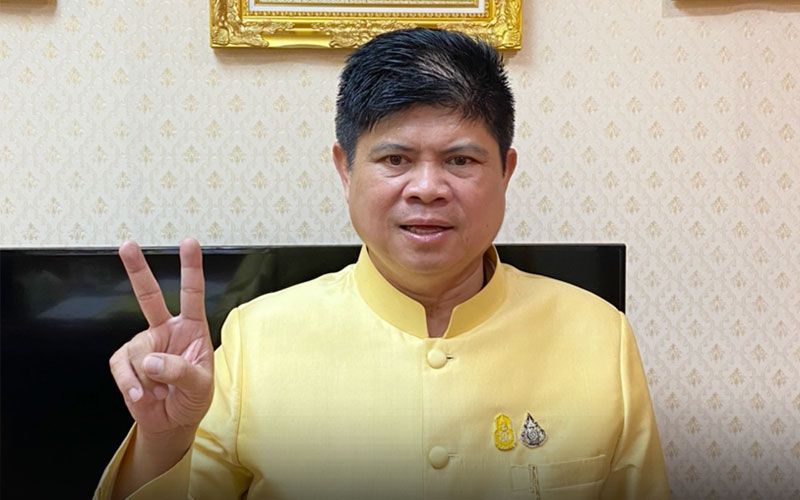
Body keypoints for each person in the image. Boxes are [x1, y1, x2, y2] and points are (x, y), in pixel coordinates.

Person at [96, 29, 670, 500]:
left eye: (460, 160)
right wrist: (164, 441)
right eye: (395, 159)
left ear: (506, 171)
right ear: (345, 170)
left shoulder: (600, 336)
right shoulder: (256, 338)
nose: (427, 188)